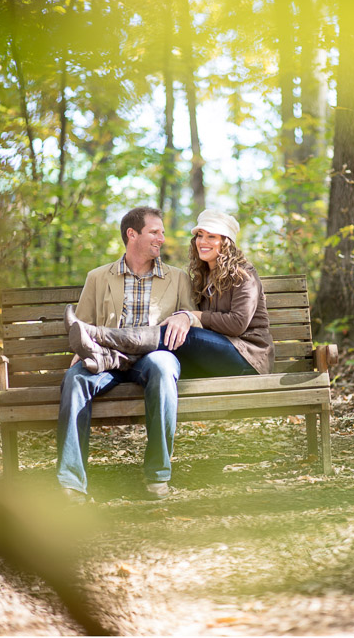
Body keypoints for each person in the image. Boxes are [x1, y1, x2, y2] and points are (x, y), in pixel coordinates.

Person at [57, 207, 198, 502]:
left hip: (153, 354)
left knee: (163, 367)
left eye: (162, 232)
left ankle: (158, 475)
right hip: (106, 358)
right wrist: (77, 356)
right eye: (154, 232)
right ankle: (71, 483)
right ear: (132, 234)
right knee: (75, 379)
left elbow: (192, 315)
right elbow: (81, 327)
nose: (162, 238)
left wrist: (186, 317)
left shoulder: (177, 278)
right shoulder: (98, 277)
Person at [66, 209, 274, 380]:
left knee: (176, 332)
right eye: (200, 235)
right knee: (170, 349)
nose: (203, 241)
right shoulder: (203, 276)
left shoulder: (243, 274)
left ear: (226, 242)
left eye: (212, 236)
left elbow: (237, 323)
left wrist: (191, 316)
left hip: (247, 358)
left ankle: (97, 336)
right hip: (210, 359)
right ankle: (109, 358)